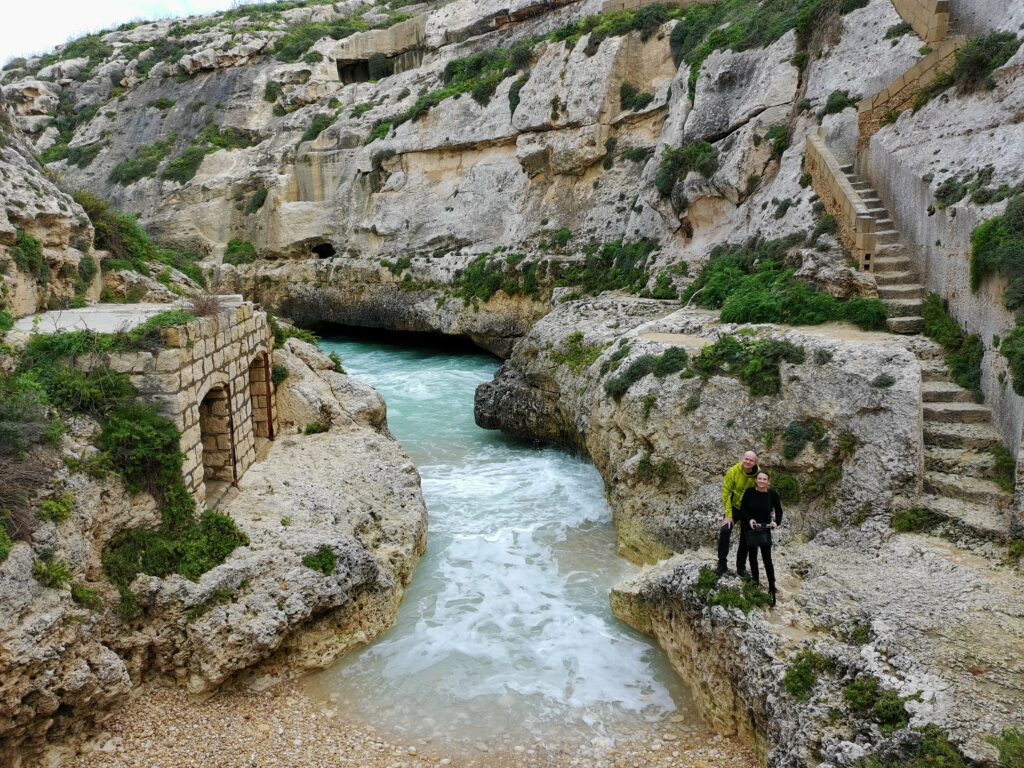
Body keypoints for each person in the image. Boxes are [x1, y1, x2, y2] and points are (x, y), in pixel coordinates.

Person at [739, 471, 783, 606]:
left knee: (767, 558)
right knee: (752, 556)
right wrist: (750, 519)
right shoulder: (749, 492)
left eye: (765, 479)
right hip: (751, 527)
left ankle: (771, 586)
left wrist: (776, 522)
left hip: (764, 528)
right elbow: (743, 508)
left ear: (768, 482)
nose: (762, 481)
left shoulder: (772, 495)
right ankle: (755, 580)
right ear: (756, 480)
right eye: (760, 478)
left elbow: (779, 510)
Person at [716, 450, 759, 577]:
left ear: (755, 462)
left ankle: (741, 568)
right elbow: (726, 493)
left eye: (751, 460)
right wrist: (728, 515)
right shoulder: (733, 471)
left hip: (748, 510)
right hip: (734, 507)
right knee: (725, 530)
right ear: (742, 459)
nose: (748, 462)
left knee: (746, 538)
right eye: (746, 459)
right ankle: (722, 564)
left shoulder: (758, 475)